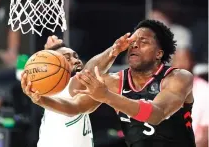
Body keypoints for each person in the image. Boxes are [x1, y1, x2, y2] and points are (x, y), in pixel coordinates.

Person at [71, 19, 196, 147]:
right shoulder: (116, 81)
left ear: (159, 54)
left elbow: (157, 114)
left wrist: (107, 96)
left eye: (144, 42)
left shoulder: (178, 77)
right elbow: (79, 86)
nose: (135, 45)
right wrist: (113, 52)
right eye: (133, 41)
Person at [21, 35, 100, 147]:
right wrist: (114, 51)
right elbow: (95, 66)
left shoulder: (62, 88)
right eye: (67, 58)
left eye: (76, 56)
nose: (76, 60)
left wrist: (49, 53)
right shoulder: (66, 87)